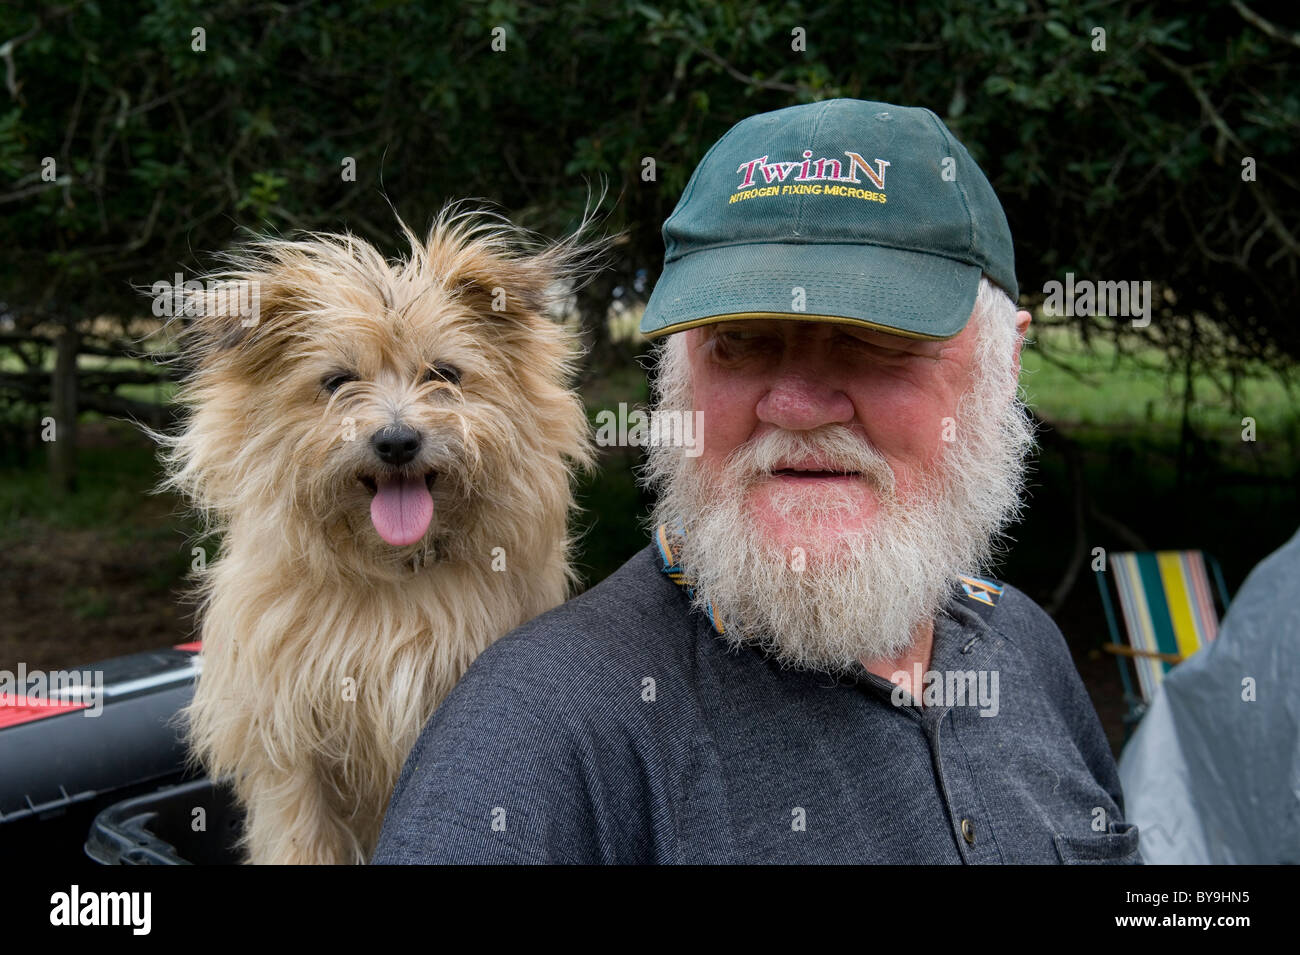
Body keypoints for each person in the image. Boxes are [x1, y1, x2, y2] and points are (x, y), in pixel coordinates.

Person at [371, 98, 1139, 864]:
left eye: (873, 340)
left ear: (1002, 369)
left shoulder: (1025, 645)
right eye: (740, 341)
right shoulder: (534, 734)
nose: (796, 405)